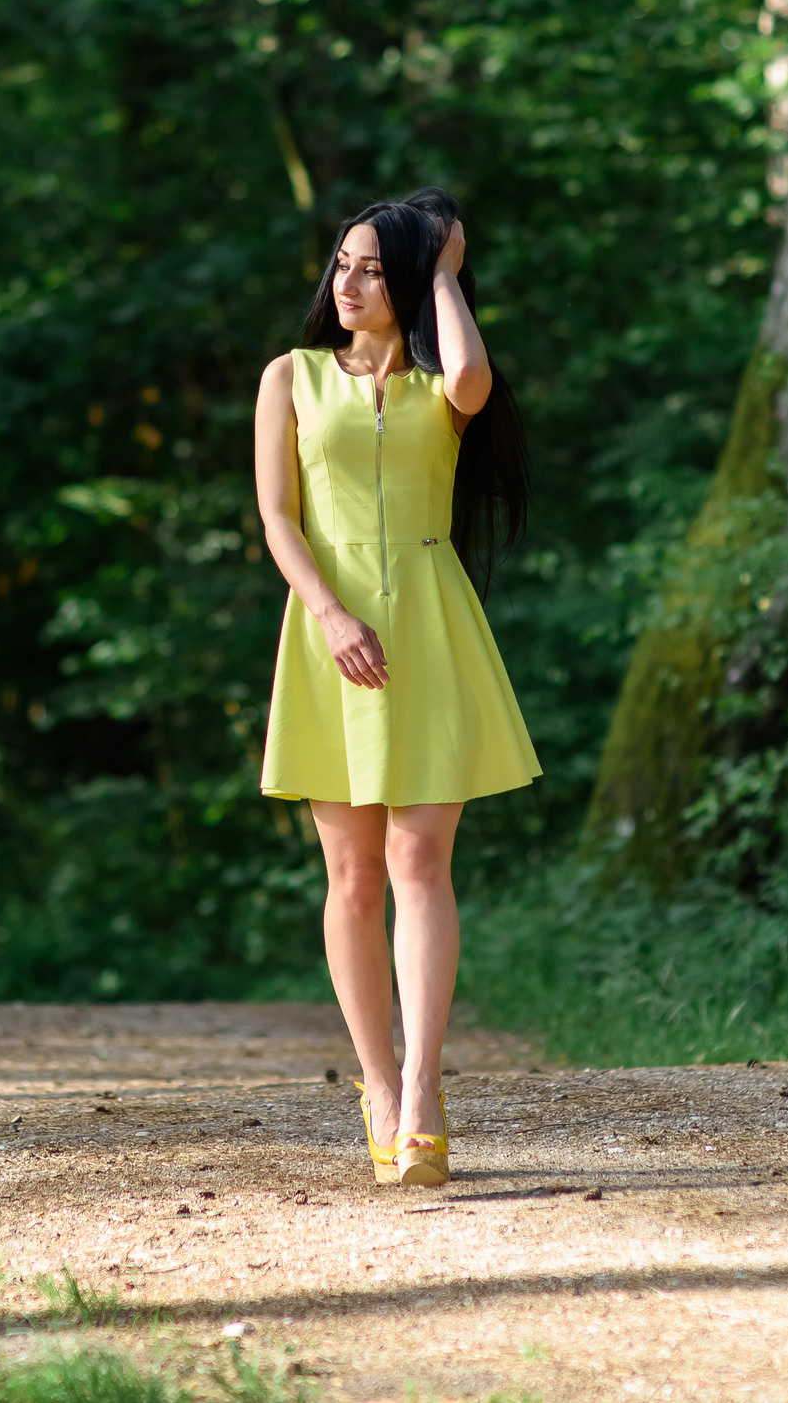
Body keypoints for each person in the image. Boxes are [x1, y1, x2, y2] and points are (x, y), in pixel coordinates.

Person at [252, 189, 538, 1187]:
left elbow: (469, 374)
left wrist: (446, 266)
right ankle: (375, 1081)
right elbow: (278, 518)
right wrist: (329, 615)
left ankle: (422, 1084)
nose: (348, 282)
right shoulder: (289, 378)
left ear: (408, 282)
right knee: (351, 873)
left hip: (426, 619)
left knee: (420, 857)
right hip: (329, 630)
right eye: (340, 264)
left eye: (373, 267)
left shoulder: (436, 386)